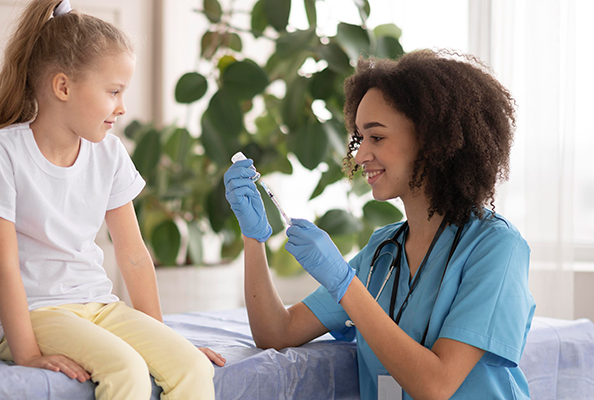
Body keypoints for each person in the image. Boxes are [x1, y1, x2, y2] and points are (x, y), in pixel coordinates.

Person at [224, 49, 535, 400]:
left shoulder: (496, 247)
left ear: (431, 141)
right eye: (360, 137)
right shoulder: (382, 252)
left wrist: (345, 285)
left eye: (377, 137)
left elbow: (436, 385)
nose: (359, 155)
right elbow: (275, 333)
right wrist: (253, 238)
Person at [0, 1, 223, 399]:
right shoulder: (2, 153)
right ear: (63, 87)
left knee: (191, 367)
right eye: (114, 91)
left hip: (98, 306)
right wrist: (27, 352)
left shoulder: (109, 154)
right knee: (127, 370)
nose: (122, 107)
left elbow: (134, 254)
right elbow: (4, 266)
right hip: (33, 315)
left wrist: (162, 341)